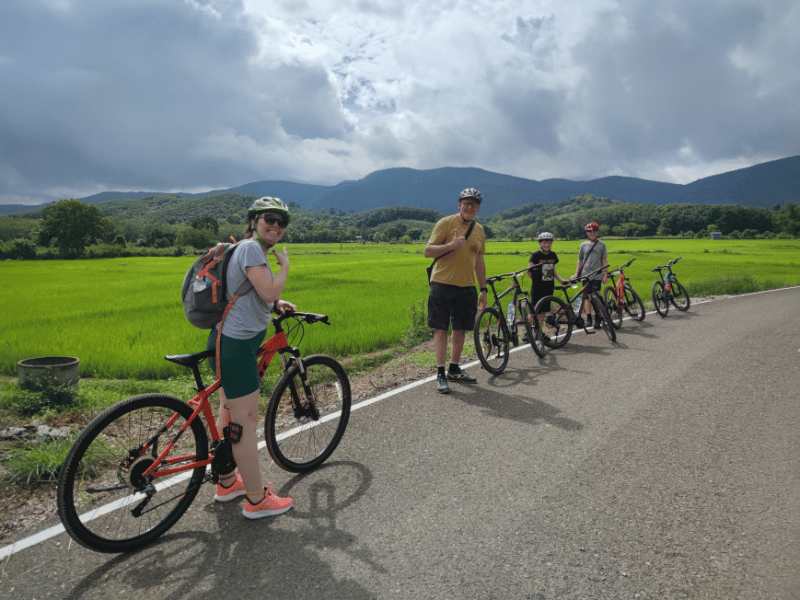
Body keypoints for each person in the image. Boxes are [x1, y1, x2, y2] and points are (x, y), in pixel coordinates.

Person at [207, 197, 295, 519]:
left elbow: (255, 292)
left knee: (229, 413)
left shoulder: (245, 249)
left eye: (281, 222)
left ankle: (227, 481)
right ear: (255, 220)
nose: (275, 225)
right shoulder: (252, 249)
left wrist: (276, 303)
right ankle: (257, 500)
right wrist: (284, 269)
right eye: (269, 219)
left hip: (225, 341)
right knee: (245, 422)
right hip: (237, 346)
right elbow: (268, 290)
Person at [424, 188, 488, 394]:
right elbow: (428, 251)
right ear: (459, 205)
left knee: (460, 329)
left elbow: (479, 260)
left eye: (474, 204)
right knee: (441, 328)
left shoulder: (479, 230)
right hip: (442, 283)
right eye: (466, 203)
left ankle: (454, 368)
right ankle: (441, 373)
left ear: (478, 208)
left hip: (467, 286)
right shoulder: (445, 223)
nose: (469, 207)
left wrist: (483, 288)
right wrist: (452, 245)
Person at [527, 232, 567, 335]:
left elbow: (553, 270)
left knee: (543, 310)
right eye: (544, 243)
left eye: (549, 243)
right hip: (537, 287)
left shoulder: (552, 255)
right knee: (534, 310)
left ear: (551, 244)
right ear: (540, 243)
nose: (546, 245)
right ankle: (528, 332)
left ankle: (538, 331)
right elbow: (529, 272)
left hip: (549, 286)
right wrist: (538, 281)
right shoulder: (535, 255)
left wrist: (561, 280)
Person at [573, 221, 608, 329]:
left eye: (594, 231)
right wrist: (576, 274)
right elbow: (580, 261)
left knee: (595, 296)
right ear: (587, 233)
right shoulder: (583, 245)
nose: (592, 233)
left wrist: (605, 274)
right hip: (585, 275)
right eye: (589, 231)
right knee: (587, 298)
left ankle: (598, 318)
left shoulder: (602, 245)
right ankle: (589, 319)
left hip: (597, 274)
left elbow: (604, 260)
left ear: (597, 232)